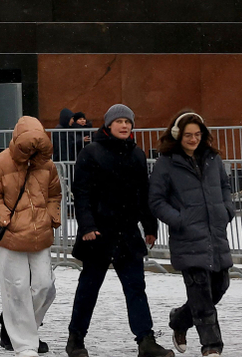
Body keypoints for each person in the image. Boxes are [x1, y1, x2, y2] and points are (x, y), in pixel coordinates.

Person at [69, 104, 170, 357]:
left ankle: (145, 341)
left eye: (128, 122)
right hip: (98, 234)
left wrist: (150, 225)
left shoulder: (136, 154)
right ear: (109, 125)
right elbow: (81, 194)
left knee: (135, 287)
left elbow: (142, 193)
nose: (125, 125)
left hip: (127, 234)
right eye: (120, 121)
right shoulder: (90, 152)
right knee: (88, 289)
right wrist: (88, 226)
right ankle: (76, 339)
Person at [150, 111, 234, 357]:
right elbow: (156, 200)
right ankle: (212, 347)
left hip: (214, 234)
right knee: (200, 293)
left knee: (219, 286)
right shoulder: (166, 162)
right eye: (188, 135)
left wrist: (226, 210)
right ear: (178, 135)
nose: (193, 139)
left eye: (197, 135)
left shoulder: (212, 159)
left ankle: (179, 319)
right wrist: (179, 220)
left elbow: (225, 185)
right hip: (187, 236)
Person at [0, 115, 61, 355]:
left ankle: (24, 329)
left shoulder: (46, 165)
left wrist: (50, 217)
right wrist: (10, 222)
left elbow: (54, 194)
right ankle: (26, 344)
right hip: (10, 237)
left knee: (45, 286)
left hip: (40, 235)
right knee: (15, 288)